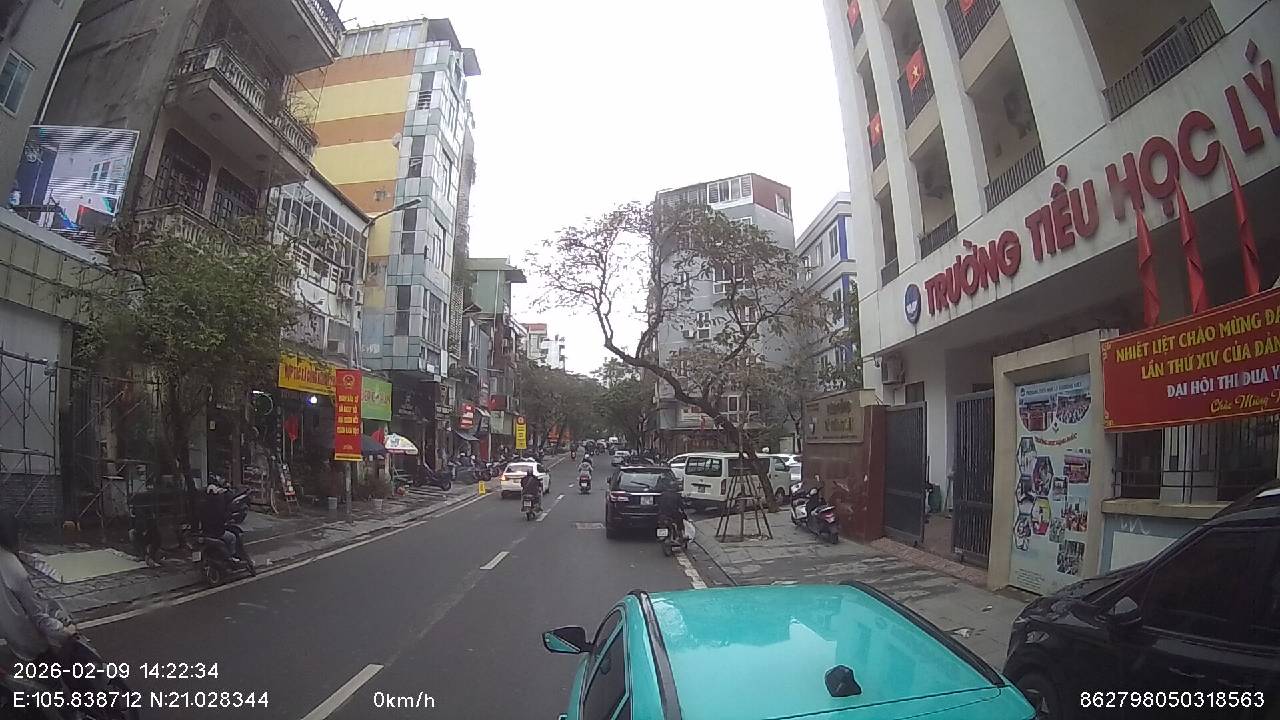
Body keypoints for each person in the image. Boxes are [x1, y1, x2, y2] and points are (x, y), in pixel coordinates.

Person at [0, 511, 76, 662]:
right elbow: (38, 618)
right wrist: (65, 632)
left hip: (10, 642)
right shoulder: (15, 571)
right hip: (31, 647)